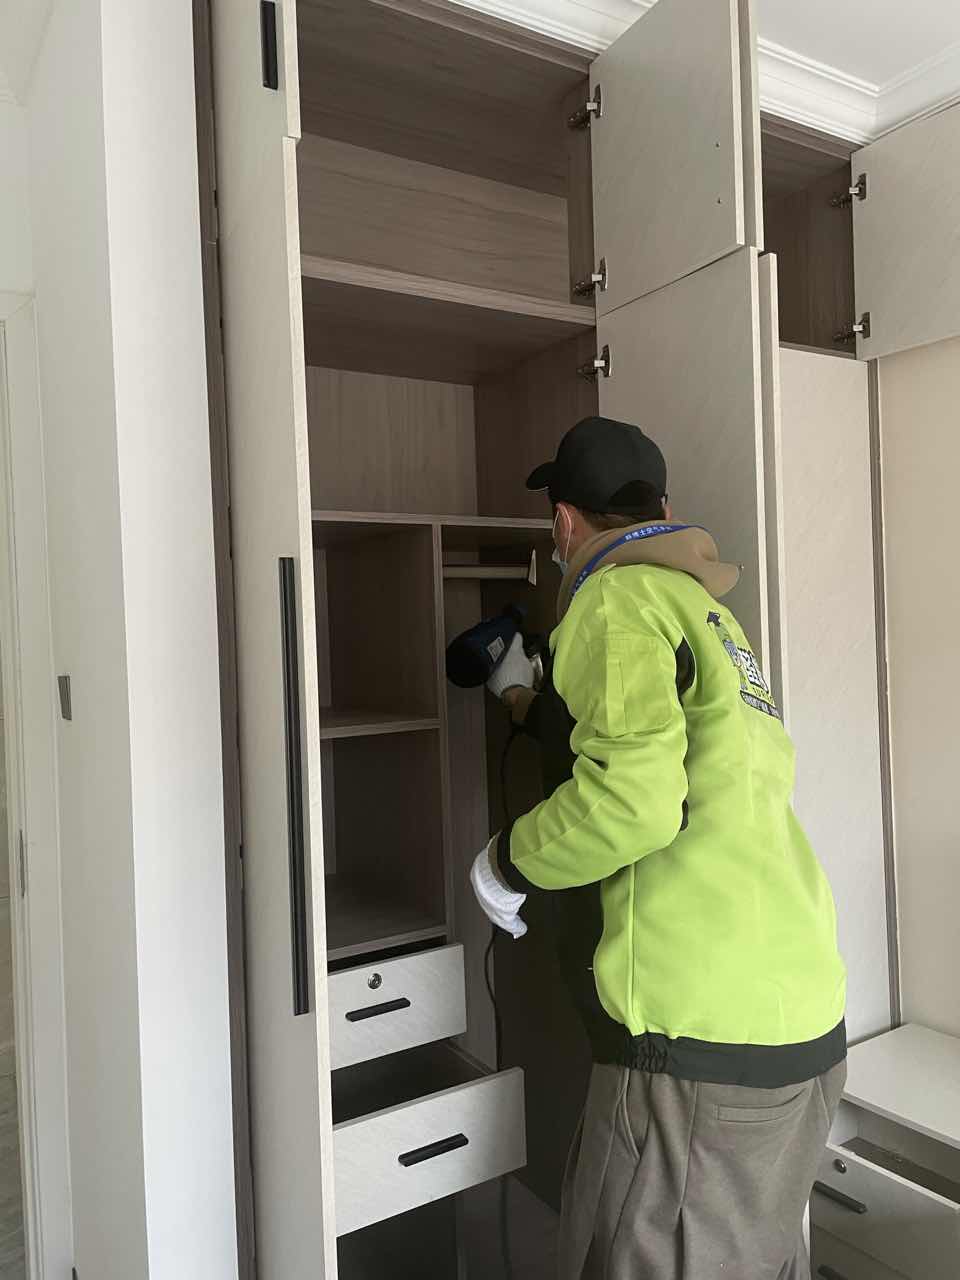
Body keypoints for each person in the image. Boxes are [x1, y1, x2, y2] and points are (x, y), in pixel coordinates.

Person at [469, 415, 847, 1280]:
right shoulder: (710, 617)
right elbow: (654, 746)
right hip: (801, 1025)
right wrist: (526, 700)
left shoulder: (612, 600)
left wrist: (506, 861)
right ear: (663, 511)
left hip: (694, 1046)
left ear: (563, 523)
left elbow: (634, 801)